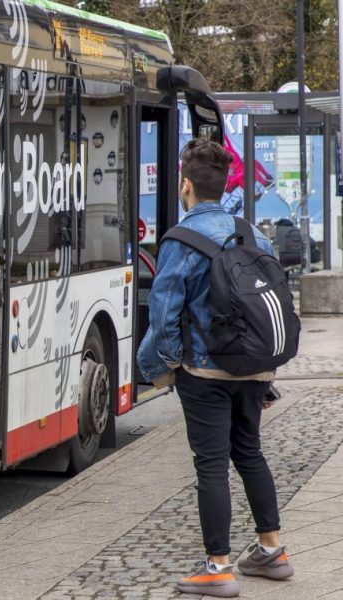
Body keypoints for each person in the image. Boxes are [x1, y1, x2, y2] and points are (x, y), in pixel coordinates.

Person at [137, 139, 294, 598]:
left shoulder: (180, 239)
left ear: (185, 184)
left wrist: (163, 369)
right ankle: (272, 550)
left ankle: (218, 567)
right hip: (254, 366)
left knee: (211, 466)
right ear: (223, 185)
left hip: (204, 374)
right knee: (250, 454)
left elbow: (164, 317)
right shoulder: (253, 234)